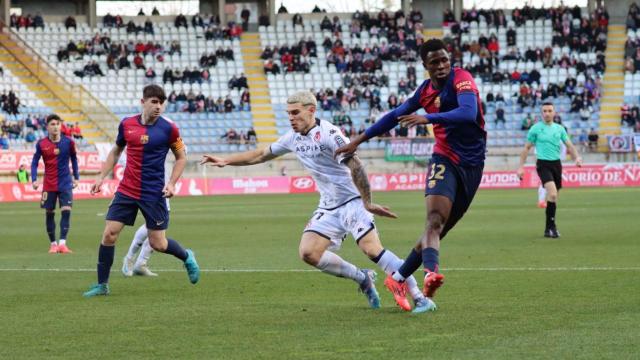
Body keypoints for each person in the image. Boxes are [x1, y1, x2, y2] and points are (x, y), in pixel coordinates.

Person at [201, 91, 434, 312]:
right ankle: (362, 278)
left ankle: (420, 297)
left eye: (295, 113)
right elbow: (261, 154)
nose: (291, 118)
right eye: (288, 114)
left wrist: (367, 201)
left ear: (311, 110)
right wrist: (226, 160)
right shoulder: (292, 138)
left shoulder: (330, 134)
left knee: (371, 248)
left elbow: (356, 165)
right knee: (308, 253)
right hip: (329, 205)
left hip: (353, 200)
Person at [335, 38, 487, 308]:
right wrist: (358, 140)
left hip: (473, 165)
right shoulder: (424, 91)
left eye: (444, 60)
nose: (441, 66)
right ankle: (430, 274)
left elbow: (467, 112)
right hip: (445, 158)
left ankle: (399, 277)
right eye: (434, 62)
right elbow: (394, 116)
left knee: (441, 230)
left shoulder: (461, 78)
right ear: (424, 66)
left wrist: (428, 118)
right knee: (434, 220)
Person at [83, 85, 200, 297]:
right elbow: (116, 151)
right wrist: (100, 177)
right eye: (154, 101)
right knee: (109, 234)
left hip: (154, 193)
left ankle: (186, 256)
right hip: (127, 189)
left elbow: (181, 157)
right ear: (143, 102)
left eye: (161, 102)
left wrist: (172, 183)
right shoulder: (127, 124)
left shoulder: (169, 129)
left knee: (158, 243)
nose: (158, 106)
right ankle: (102, 285)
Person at [517, 102, 582, 238]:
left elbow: (569, 145)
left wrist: (577, 158)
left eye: (549, 111)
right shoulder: (535, 129)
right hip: (543, 164)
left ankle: (548, 228)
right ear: (541, 113)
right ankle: (552, 227)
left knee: (554, 197)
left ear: (554, 113)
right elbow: (526, 148)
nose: (547, 113)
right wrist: (521, 167)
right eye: (544, 111)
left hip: (556, 165)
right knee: (552, 194)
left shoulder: (560, 129)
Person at [31, 114, 79, 254]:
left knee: (66, 211)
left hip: (65, 182)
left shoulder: (69, 142)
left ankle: (62, 244)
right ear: (47, 127)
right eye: (52, 124)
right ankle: (53, 244)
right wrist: (34, 179)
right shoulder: (41, 144)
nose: (55, 127)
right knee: (49, 213)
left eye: (57, 124)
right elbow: (35, 162)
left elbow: (74, 159)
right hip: (49, 184)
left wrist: (76, 177)